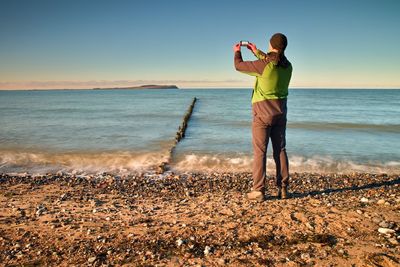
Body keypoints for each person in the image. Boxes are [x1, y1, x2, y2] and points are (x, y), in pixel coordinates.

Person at [233, 33, 292, 201]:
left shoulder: (264, 65)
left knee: (260, 151)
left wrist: (237, 51)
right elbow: (272, 59)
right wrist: (255, 50)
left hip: (262, 114)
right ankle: (283, 188)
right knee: (280, 150)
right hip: (280, 113)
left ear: (271, 45)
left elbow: (239, 66)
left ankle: (258, 190)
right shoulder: (288, 66)